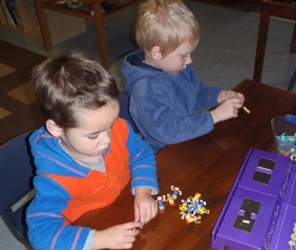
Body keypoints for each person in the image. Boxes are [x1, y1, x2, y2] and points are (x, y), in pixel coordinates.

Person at [26, 51, 159, 249]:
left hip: (124, 210)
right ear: (57, 129)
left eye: (110, 125)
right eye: (93, 135)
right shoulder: (54, 179)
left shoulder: (117, 128)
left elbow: (141, 153)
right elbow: (41, 234)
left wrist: (143, 189)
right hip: (87, 234)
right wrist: (100, 239)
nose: (107, 139)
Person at [121, 0, 245, 153]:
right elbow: (169, 132)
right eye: (184, 55)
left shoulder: (178, 68)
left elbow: (197, 92)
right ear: (157, 53)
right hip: (165, 151)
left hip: (189, 134)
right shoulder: (146, 89)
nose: (189, 60)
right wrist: (214, 116)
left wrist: (219, 96)